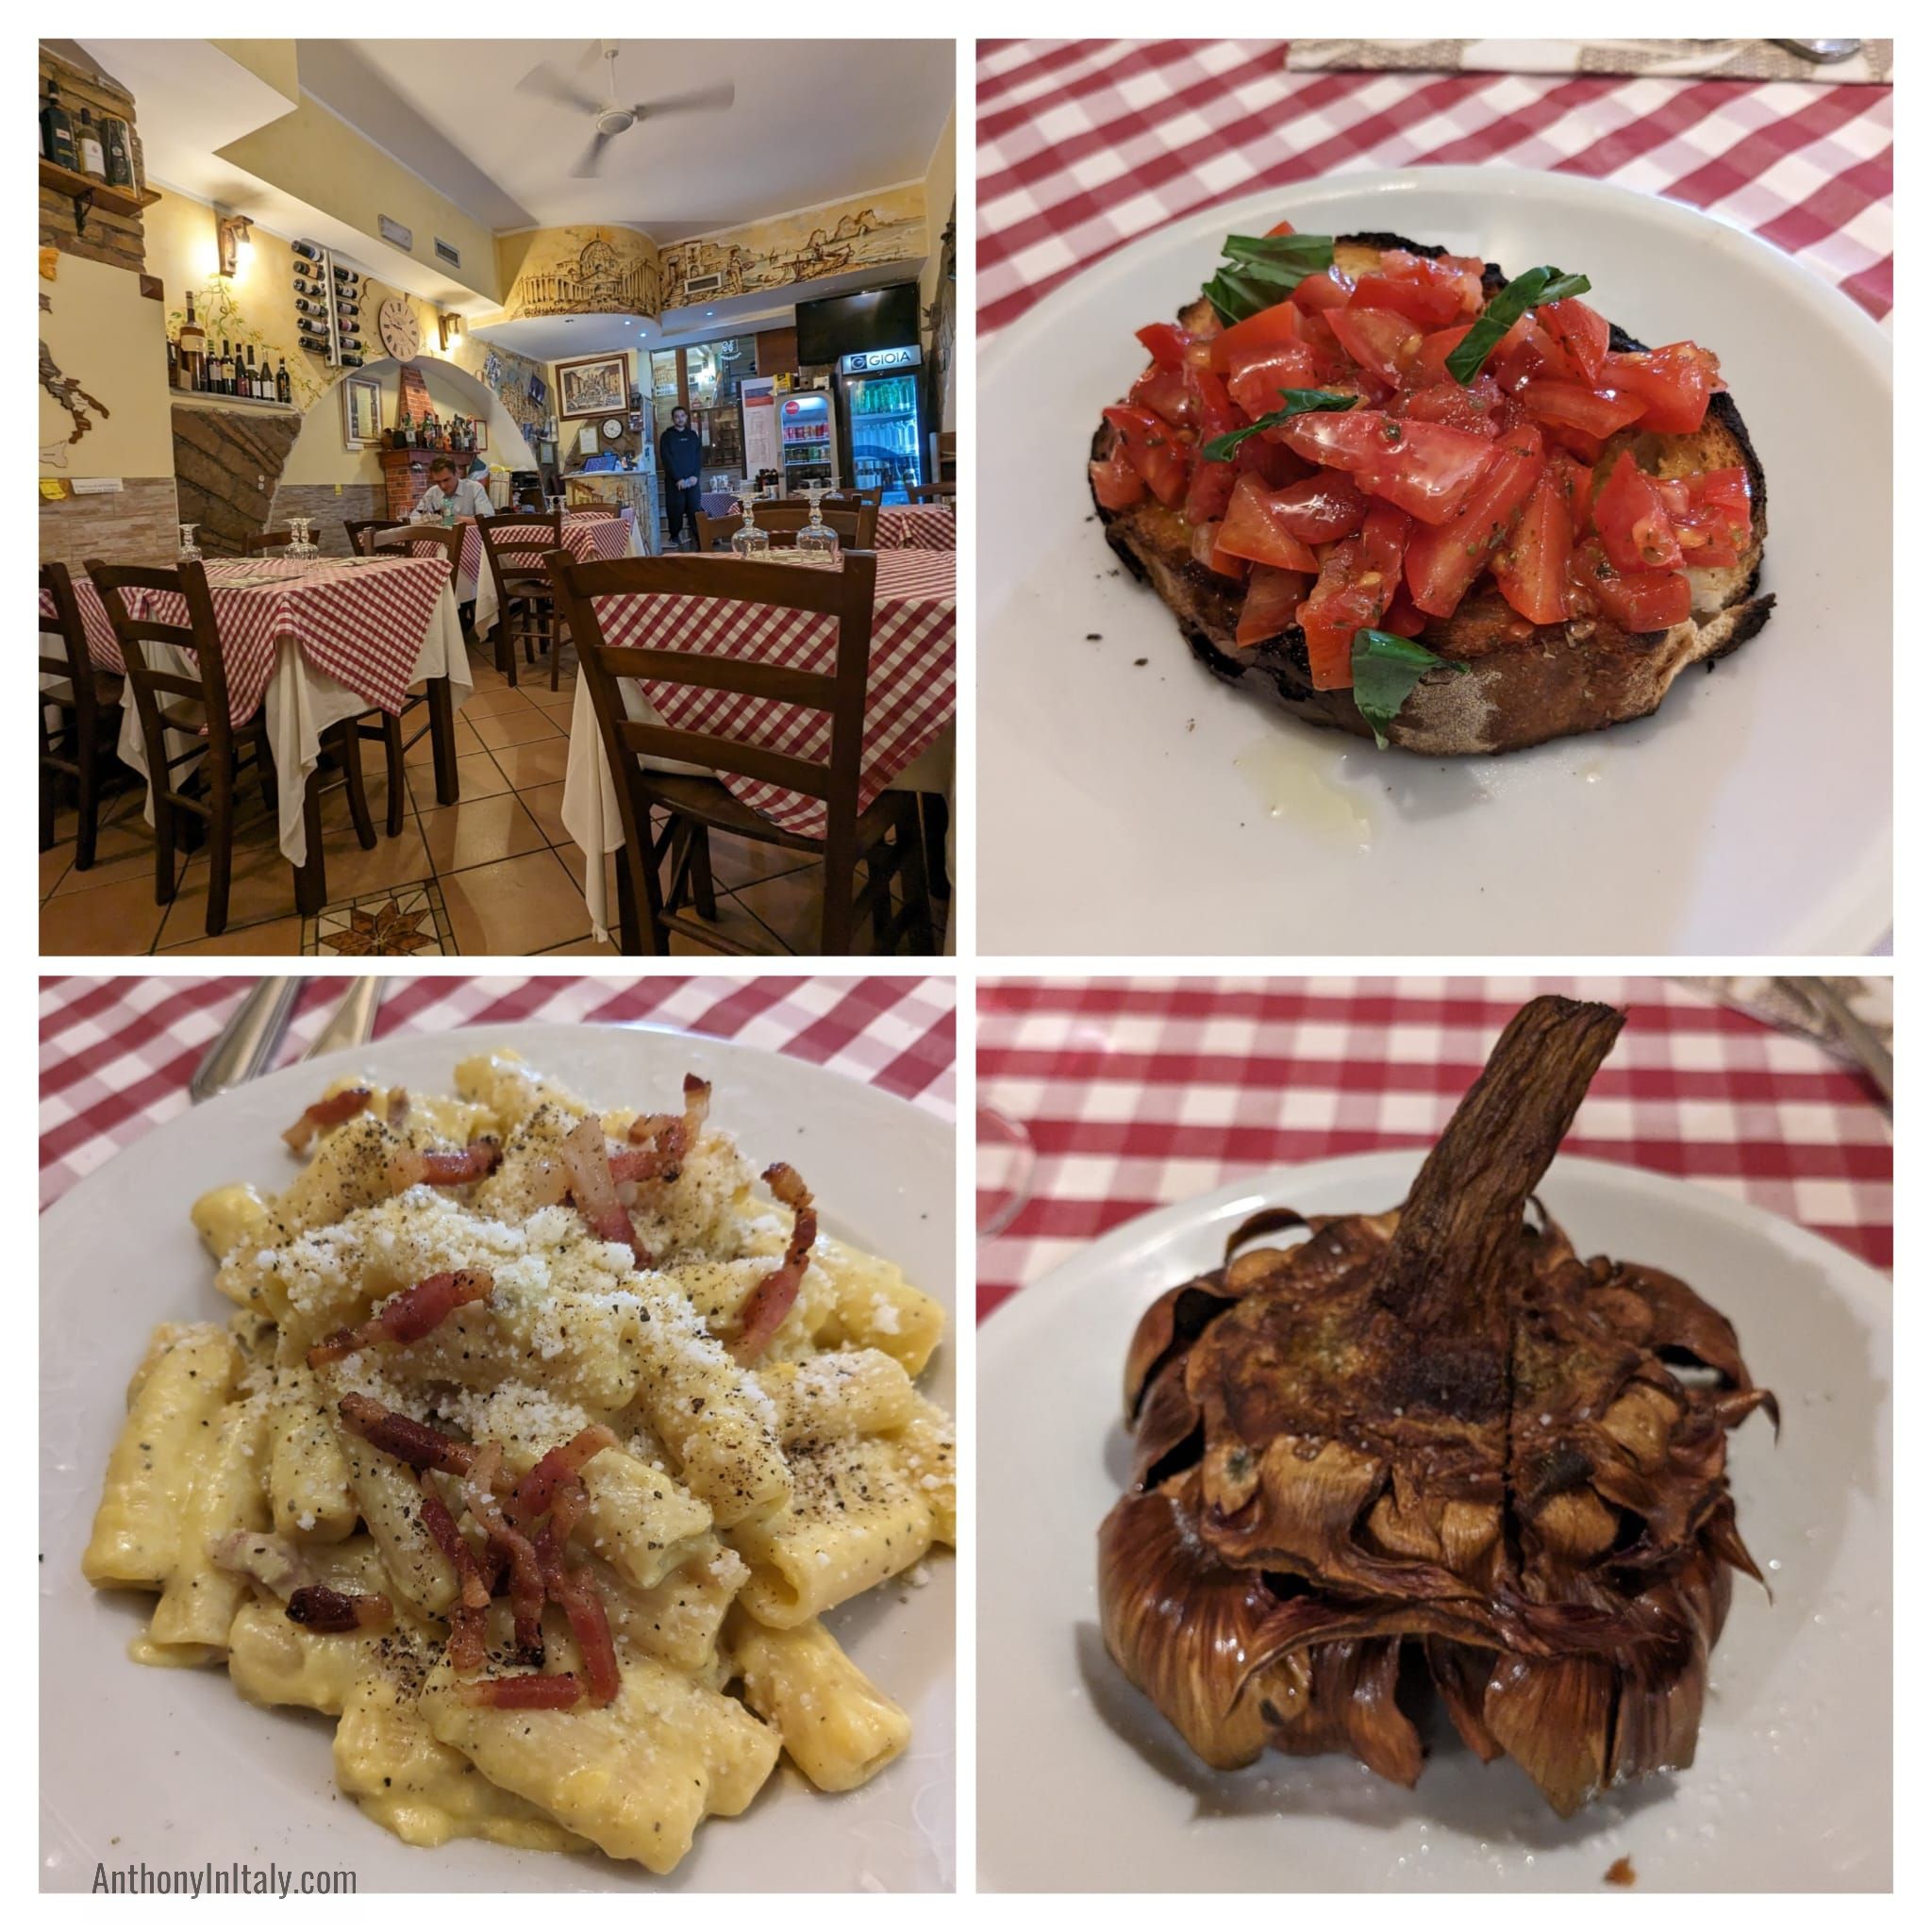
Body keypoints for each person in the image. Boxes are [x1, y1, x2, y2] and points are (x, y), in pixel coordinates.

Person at [659, 405, 703, 550]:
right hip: (675, 483)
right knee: (675, 510)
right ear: (673, 419)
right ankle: (675, 536)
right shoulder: (667, 436)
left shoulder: (692, 435)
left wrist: (695, 476)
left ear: (686, 417)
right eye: (677, 416)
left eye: (682, 416)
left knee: (695, 510)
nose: (680, 419)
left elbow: (699, 457)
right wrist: (678, 479)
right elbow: (667, 459)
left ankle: (700, 538)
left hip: (692, 481)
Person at [411, 455, 492, 525]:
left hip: (473, 540)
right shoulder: (432, 492)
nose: (443, 486)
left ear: (457, 473)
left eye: (446, 480)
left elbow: (488, 519)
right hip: (441, 539)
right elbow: (413, 517)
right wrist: (428, 518)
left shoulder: (475, 488)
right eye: (438, 482)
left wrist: (455, 520)